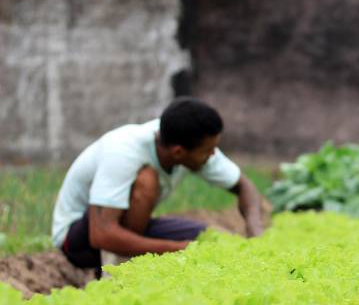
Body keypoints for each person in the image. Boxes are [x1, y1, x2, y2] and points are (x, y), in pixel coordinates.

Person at [52, 97, 265, 275]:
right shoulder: (123, 150)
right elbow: (101, 234)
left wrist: (255, 230)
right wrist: (178, 249)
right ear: (178, 153)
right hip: (79, 240)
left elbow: (244, 186)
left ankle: (132, 265)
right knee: (147, 180)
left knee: (211, 239)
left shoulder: (182, 141)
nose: (213, 156)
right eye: (208, 150)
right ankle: (113, 275)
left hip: (126, 225)